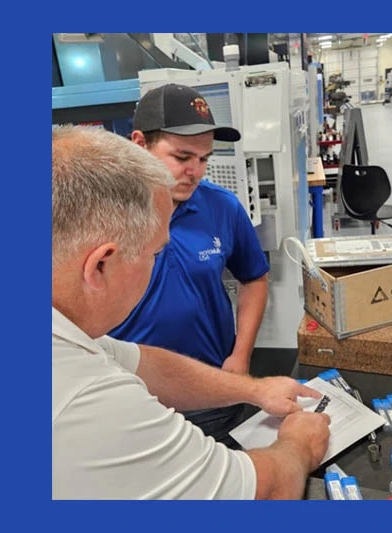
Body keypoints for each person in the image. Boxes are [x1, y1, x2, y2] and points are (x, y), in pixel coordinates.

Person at [53, 125, 330, 499]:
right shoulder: (95, 402)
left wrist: (254, 387)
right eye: (154, 255)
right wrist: (297, 444)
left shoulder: (70, 336)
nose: (194, 170)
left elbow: (140, 363)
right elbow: (261, 491)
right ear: (100, 265)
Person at [108, 83, 271, 448]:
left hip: (213, 392)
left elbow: (255, 278)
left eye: (204, 158)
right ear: (139, 144)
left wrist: (240, 356)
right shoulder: (100, 214)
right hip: (132, 399)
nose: (195, 172)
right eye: (182, 158)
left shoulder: (221, 207)